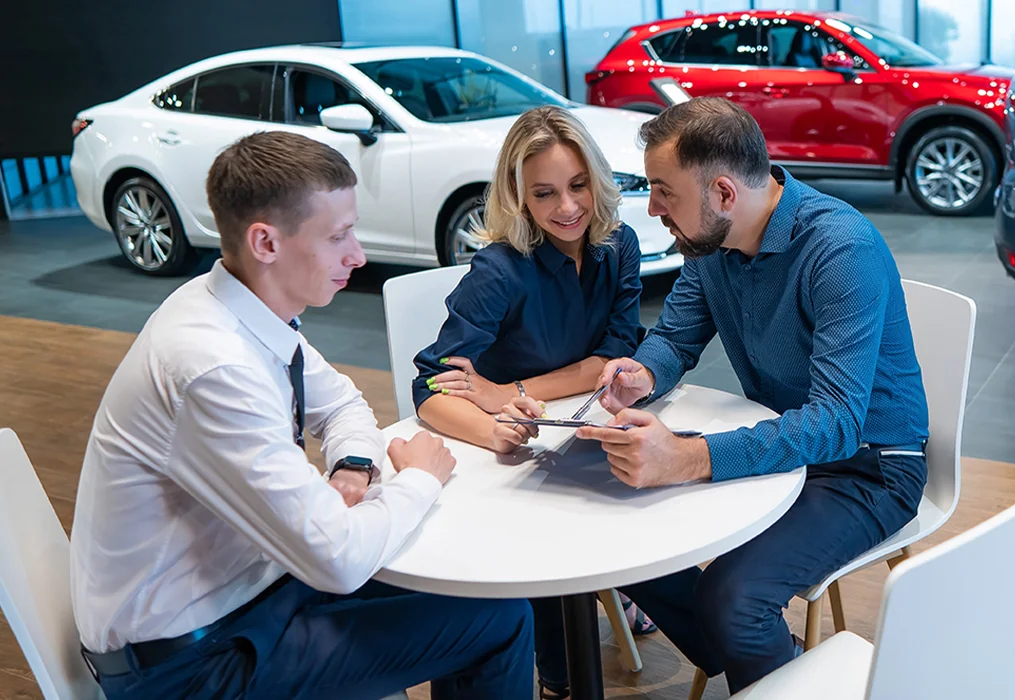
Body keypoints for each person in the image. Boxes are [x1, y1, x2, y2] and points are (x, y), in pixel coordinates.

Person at [69, 131, 533, 700]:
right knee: (499, 619)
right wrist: (418, 479)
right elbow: (338, 560)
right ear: (265, 242)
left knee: (478, 592)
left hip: (253, 594)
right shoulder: (213, 366)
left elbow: (342, 404)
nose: (357, 255)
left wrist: (353, 470)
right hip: (190, 664)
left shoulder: (236, 309)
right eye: (338, 236)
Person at [575, 97, 930, 693]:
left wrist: (687, 458)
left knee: (732, 599)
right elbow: (675, 337)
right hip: (789, 445)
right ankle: (772, 658)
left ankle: (762, 654)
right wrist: (644, 373)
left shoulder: (840, 248)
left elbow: (837, 424)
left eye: (664, 191)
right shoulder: (711, 244)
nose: (654, 207)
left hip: (869, 467)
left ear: (722, 193)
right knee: (610, 525)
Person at [409, 105, 656, 700]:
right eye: (544, 193)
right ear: (518, 196)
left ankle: (646, 603)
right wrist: (493, 422)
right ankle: (561, 679)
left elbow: (615, 354)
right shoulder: (499, 270)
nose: (567, 207)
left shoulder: (618, 245)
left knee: (652, 496)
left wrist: (512, 391)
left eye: (578, 186)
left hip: (579, 427)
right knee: (553, 552)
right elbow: (430, 386)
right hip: (514, 455)